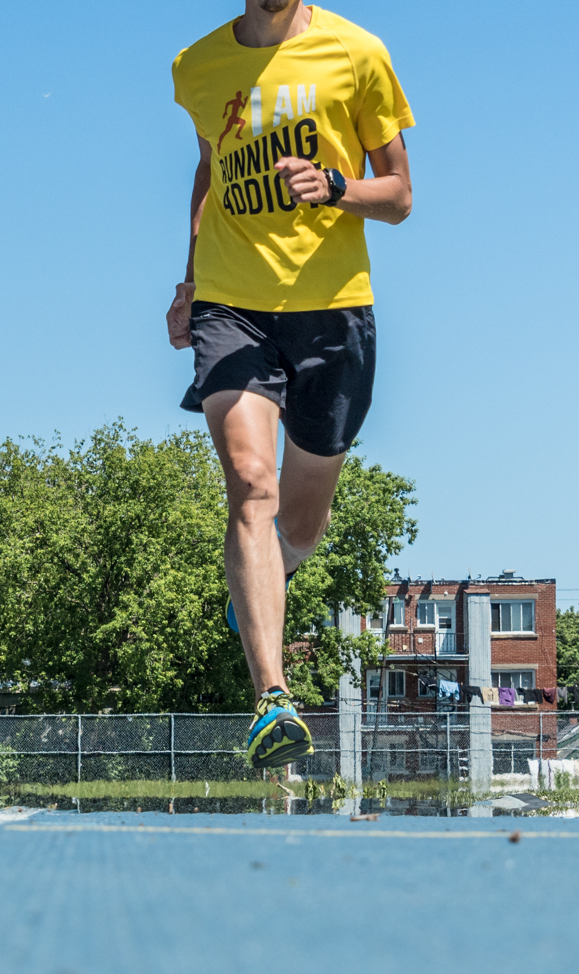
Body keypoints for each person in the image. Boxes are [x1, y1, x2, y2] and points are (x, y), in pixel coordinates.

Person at [168, 2, 413, 769]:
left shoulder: (358, 53)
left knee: (300, 528)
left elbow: (400, 194)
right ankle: (272, 698)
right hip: (230, 305)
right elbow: (210, 168)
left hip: (333, 313)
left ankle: (257, 585)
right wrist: (188, 281)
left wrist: (336, 186)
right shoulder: (196, 66)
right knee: (249, 481)